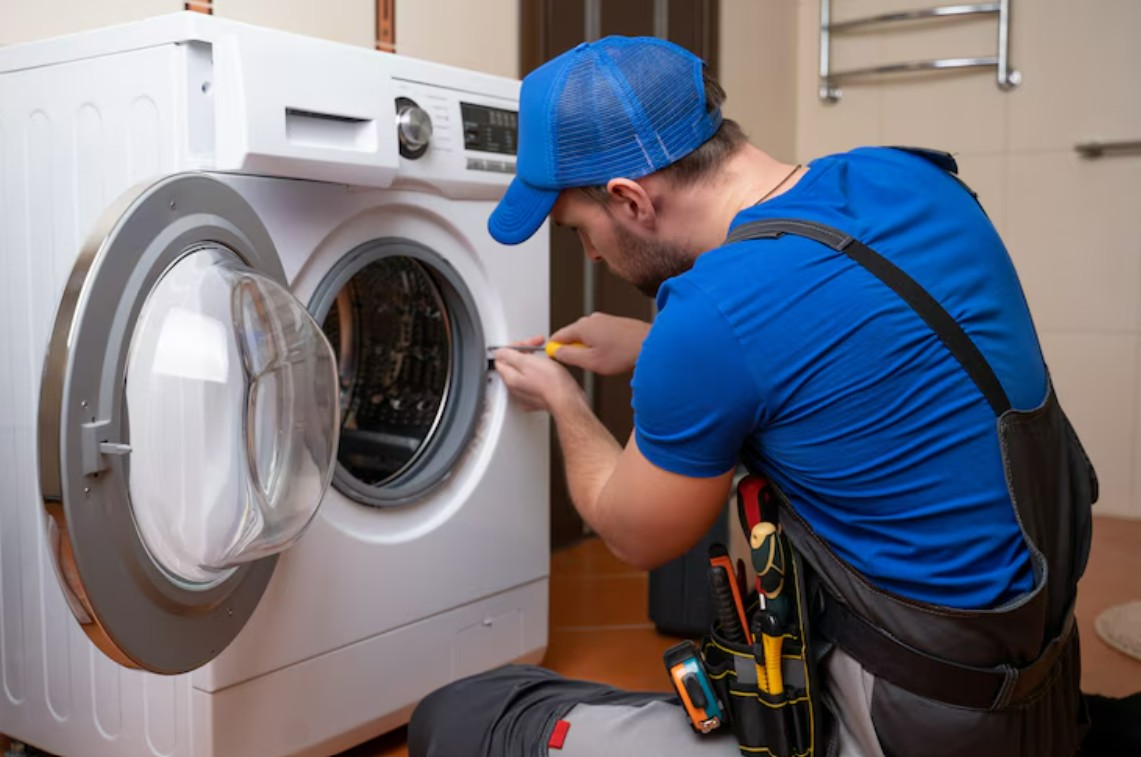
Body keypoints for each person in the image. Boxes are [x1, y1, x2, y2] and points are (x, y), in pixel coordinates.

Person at [408, 36, 1100, 757]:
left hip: (909, 719)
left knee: (463, 718)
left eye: (580, 230)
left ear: (630, 199)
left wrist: (564, 400)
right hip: (1038, 689)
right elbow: (855, 345)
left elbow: (632, 533)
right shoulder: (906, 177)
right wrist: (650, 345)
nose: (590, 254)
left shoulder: (710, 314)